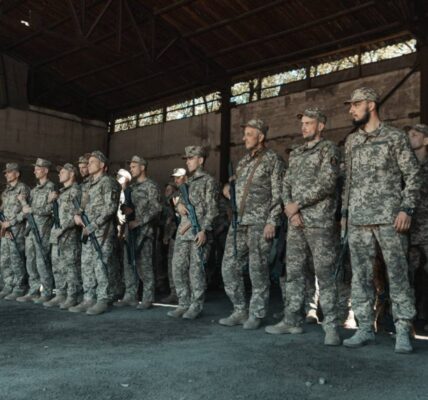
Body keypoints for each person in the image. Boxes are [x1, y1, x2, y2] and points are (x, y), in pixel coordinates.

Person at [341, 87, 420, 353]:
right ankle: (364, 328)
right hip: (358, 220)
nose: (351, 110)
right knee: (360, 276)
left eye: (355, 104)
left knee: (397, 275)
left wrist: (406, 209)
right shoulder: (352, 142)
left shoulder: (395, 137)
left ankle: (403, 330)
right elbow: (348, 183)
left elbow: (413, 175)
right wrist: (345, 216)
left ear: (371, 105)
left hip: (390, 219)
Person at [265, 108, 341, 345]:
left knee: (325, 274)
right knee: (294, 273)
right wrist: (291, 209)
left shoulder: (329, 149)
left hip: (319, 222)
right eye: (303, 123)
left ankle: (331, 327)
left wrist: (297, 205)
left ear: (321, 126)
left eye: (309, 123)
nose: (304, 127)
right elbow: (286, 183)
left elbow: (327, 182)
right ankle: (292, 320)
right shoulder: (296, 153)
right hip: (296, 222)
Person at [219, 119, 284, 329]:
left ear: (261, 136)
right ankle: (239, 310)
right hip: (239, 222)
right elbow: (236, 184)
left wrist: (272, 221)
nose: (244, 138)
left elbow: (279, 193)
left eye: (249, 134)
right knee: (229, 266)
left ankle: (256, 313)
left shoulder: (273, 160)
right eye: (244, 134)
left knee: (258, 270)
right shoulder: (243, 162)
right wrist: (227, 188)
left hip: (259, 223)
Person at [168, 146, 218, 319]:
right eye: (187, 159)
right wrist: (179, 205)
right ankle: (183, 303)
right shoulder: (187, 182)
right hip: (183, 233)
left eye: (191, 158)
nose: (187, 162)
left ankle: (196, 306)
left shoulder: (209, 181)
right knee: (178, 268)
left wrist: (204, 230)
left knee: (196, 272)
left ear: (201, 160)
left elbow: (213, 209)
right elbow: (178, 202)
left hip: (198, 233)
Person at [70, 151, 119, 315]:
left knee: (101, 265)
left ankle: (102, 299)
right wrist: (76, 215)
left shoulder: (108, 182)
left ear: (102, 165)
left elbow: (110, 208)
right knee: (87, 265)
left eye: (92, 162)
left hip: (102, 232)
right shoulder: (88, 184)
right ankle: (89, 298)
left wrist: (94, 225)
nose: (88, 164)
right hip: (87, 231)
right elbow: (81, 206)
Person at [114, 155, 161, 309]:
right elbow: (130, 207)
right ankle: (130, 295)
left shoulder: (151, 186)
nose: (131, 169)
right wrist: (126, 209)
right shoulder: (132, 188)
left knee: (145, 265)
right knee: (129, 264)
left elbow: (156, 208)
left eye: (134, 167)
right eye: (130, 167)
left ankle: (148, 297)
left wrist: (140, 221)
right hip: (130, 231)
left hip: (144, 232)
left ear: (143, 167)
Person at [44, 163, 82, 309]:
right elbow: (53, 213)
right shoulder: (60, 192)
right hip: (57, 234)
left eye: (63, 172)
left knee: (70, 266)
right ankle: (60, 294)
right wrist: (50, 201)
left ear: (72, 174)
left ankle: (72, 296)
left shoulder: (76, 191)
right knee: (57, 265)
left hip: (69, 235)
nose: (59, 174)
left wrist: (63, 228)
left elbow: (78, 214)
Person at [18, 158, 55, 304]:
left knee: (42, 261)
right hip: (31, 231)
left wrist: (32, 209)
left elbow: (50, 210)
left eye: (38, 168)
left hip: (42, 231)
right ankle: (33, 291)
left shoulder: (51, 188)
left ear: (45, 170)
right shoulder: (34, 190)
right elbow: (27, 210)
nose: (35, 171)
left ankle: (47, 291)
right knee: (30, 261)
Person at [407, 124, 428, 328]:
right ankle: (409, 319)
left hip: (427, 227)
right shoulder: (406, 165)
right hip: (409, 229)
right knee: (408, 274)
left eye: (415, 135)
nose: (410, 138)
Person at [0, 163, 30, 300]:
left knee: (17, 259)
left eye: (9, 172)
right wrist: (3, 224)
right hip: (5, 230)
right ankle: (8, 285)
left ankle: (19, 287)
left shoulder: (22, 188)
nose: (6, 174)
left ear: (17, 174)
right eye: (5, 173)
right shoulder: (6, 191)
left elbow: (26, 212)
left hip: (17, 230)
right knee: (5, 259)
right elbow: (3, 209)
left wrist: (11, 223)